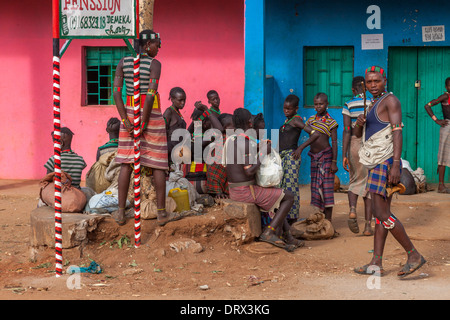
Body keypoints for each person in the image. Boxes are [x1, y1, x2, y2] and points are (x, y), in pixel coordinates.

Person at [353, 66, 426, 278]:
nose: (373, 85)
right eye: (369, 82)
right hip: (375, 162)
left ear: (385, 80)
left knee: (382, 213)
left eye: (377, 81)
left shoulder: (390, 101)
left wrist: (396, 164)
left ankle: (413, 255)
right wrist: (359, 124)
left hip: (384, 163)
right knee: (379, 215)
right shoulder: (372, 103)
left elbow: (397, 131)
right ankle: (376, 263)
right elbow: (358, 134)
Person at [113, 29, 181, 226]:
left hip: (129, 112)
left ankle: (119, 212)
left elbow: (116, 93)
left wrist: (126, 120)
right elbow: (150, 94)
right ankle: (160, 213)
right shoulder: (155, 64)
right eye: (157, 44)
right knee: (158, 163)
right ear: (147, 44)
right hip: (150, 114)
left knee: (127, 163)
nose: (159, 48)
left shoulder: (123, 62)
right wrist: (143, 122)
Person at [223, 108, 302, 251]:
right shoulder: (244, 142)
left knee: (277, 195)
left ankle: (287, 236)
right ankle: (269, 232)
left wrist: (259, 146)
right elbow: (250, 172)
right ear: (249, 122)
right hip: (245, 191)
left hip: (235, 189)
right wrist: (263, 154)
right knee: (288, 197)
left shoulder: (232, 140)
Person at [294, 93, 338, 224]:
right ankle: (320, 218)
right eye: (316, 104)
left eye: (321, 104)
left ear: (327, 104)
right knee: (316, 188)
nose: (318, 106)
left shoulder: (331, 122)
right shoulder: (311, 120)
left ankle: (328, 221)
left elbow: (334, 142)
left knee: (327, 188)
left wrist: (334, 162)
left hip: (326, 156)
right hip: (314, 158)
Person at [342, 77, 373, 235]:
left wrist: (344, 155)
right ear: (366, 88)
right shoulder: (373, 103)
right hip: (371, 145)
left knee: (354, 180)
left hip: (354, 144)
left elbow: (347, 130)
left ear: (353, 90)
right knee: (369, 186)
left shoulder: (349, 104)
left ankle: (353, 209)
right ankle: (368, 226)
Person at [278, 94, 311, 224]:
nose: (286, 111)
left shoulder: (296, 120)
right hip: (283, 156)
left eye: (289, 109)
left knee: (291, 187)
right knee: (283, 187)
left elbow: (314, 133)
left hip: (292, 157)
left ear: (296, 109)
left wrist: (300, 148)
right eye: (285, 108)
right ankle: (285, 216)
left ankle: (293, 217)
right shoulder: (287, 121)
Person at [424, 77, 450, 193]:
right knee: (443, 156)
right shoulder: (445, 96)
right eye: (449, 85)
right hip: (447, 127)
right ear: (446, 87)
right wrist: (436, 120)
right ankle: (441, 185)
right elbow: (427, 105)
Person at [163, 87, 187, 161]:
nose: (182, 103)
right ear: (172, 100)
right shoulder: (169, 112)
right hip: (170, 152)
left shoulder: (177, 113)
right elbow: (163, 132)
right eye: (180, 100)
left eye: (184, 100)